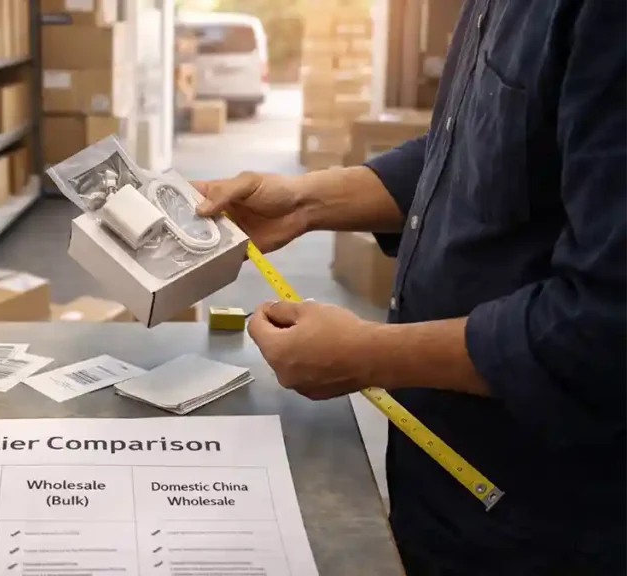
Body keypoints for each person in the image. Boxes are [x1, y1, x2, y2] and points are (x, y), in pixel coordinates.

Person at [193, 3, 627, 575]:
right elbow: (476, 145)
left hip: (553, 517)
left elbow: (605, 326)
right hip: (447, 483)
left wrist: (368, 355)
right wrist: (305, 202)